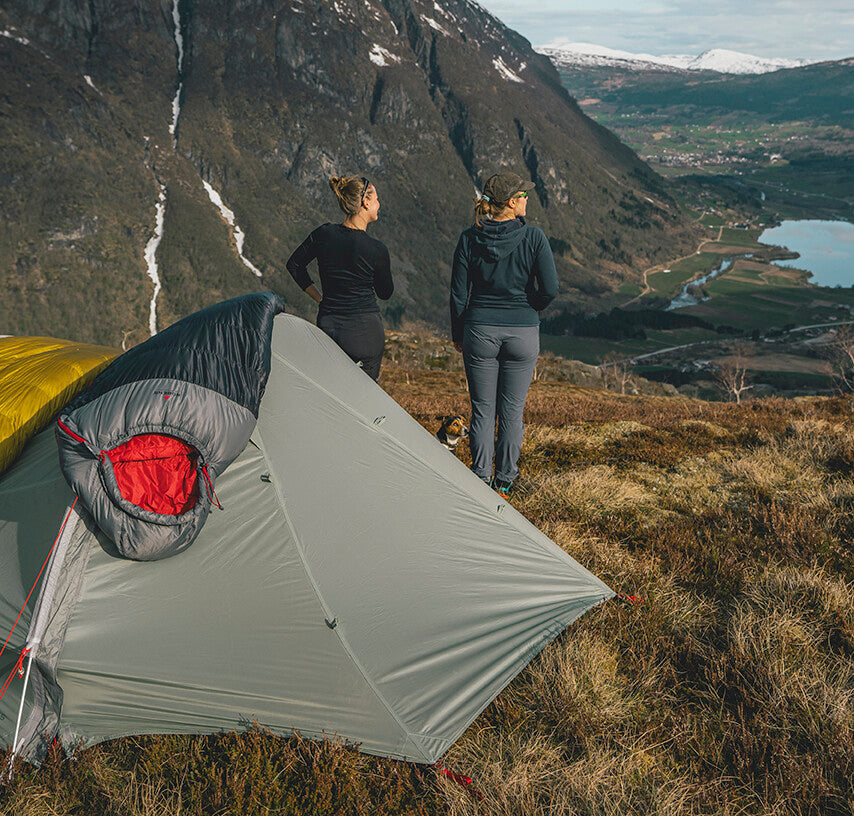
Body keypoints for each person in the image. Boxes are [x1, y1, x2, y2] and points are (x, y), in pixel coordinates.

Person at [450, 171, 559, 497]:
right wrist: (531, 307)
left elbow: (458, 294)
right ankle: (505, 480)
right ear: (512, 202)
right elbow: (550, 289)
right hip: (523, 332)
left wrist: (459, 333)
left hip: (480, 331)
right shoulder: (534, 238)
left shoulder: (470, 238)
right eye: (524, 194)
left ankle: (480, 476)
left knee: (482, 408)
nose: (528, 198)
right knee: (512, 411)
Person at [286, 176, 393, 381]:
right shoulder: (376, 249)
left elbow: (295, 265)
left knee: (331, 398)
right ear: (366, 202)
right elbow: (385, 293)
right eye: (377, 199)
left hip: (329, 329)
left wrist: (319, 298)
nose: (379, 204)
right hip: (365, 334)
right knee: (363, 400)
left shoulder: (324, 234)